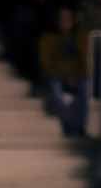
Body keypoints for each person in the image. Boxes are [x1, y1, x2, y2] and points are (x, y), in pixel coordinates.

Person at [38, 8, 89, 137]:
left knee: (84, 88)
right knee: (59, 95)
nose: (65, 22)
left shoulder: (80, 36)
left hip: (77, 76)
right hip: (57, 76)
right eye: (63, 19)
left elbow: (84, 59)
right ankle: (68, 127)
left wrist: (76, 75)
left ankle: (80, 127)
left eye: (68, 19)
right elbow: (46, 62)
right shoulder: (48, 38)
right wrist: (64, 75)